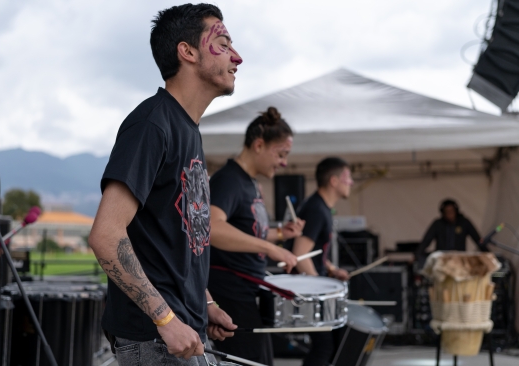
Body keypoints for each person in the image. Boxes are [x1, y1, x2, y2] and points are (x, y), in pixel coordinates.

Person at [88, 4, 242, 365]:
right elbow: (106, 236)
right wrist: (166, 319)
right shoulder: (152, 125)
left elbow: (177, 244)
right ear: (187, 52)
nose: (238, 57)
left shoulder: (188, 130)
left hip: (183, 332)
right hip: (154, 341)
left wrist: (205, 304)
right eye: (223, 43)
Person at [208, 106, 304, 366]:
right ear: (259, 145)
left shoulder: (250, 183)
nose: (284, 162)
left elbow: (244, 233)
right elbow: (213, 228)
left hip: (248, 290)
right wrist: (271, 248)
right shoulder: (228, 180)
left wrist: (281, 233)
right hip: (230, 292)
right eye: (281, 154)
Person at [291, 157, 352, 366]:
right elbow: (300, 255)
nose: (351, 182)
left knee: (330, 344)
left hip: (313, 287)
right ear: (334, 181)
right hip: (309, 291)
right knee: (324, 347)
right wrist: (320, 288)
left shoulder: (321, 207)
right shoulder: (316, 209)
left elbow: (314, 252)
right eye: (348, 177)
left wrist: (331, 269)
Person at [415, 198, 487, 262]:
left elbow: (478, 239)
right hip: (442, 260)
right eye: (447, 212)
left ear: (456, 211)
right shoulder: (438, 224)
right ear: (443, 213)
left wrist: (488, 254)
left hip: (459, 259)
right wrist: (416, 256)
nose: (450, 214)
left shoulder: (464, 222)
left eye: (451, 211)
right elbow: (426, 241)